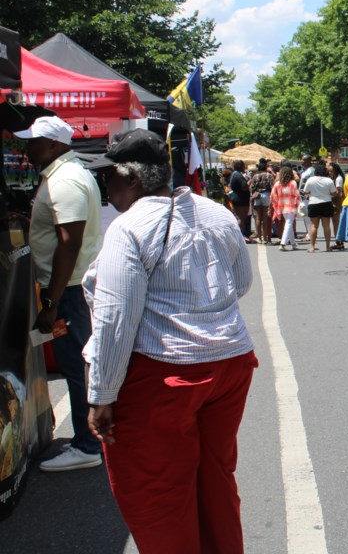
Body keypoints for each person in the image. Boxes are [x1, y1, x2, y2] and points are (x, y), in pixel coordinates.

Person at [82, 129, 258, 553]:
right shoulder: (216, 213)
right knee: (215, 478)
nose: (106, 188)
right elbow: (241, 282)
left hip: (164, 374)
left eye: (109, 178)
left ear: (130, 176)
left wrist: (102, 394)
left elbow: (115, 319)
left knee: (157, 493)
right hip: (230, 363)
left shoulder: (128, 228)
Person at [13, 115, 103, 472]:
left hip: (67, 288)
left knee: (76, 365)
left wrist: (50, 302)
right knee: (78, 363)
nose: (27, 147)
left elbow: (70, 243)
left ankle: (86, 444)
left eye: (32, 141)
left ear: (53, 144)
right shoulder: (63, 175)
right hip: (67, 287)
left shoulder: (64, 180)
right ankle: (90, 438)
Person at [303, 163, 335, 252]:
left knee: (314, 226)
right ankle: (328, 246)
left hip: (313, 203)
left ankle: (312, 247)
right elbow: (333, 192)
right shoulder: (329, 180)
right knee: (326, 226)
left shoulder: (311, 179)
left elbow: (305, 191)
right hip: (326, 203)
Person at [271, 166, 300, 251]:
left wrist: (276, 204)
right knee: (288, 224)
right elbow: (297, 195)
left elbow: (273, 196)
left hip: (282, 207)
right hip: (291, 206)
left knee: (288, 224)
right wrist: (297, 204)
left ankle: (293, 243)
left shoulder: (277, 184)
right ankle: (283, 243)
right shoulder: (293, 183)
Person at [248, 159, 276, 245]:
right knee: (265, 217)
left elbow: (252, 187)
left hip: (257, 195)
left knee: (258, 218)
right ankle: (266, 237)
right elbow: (272, 187)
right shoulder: (269, 175)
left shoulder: (255, 176)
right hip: (266, 195)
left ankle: (260, 238)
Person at [228, 160, 252, 242]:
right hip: (240, 199)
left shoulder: (234, 174)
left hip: (238, 198)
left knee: (241, 218)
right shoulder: (238, 175)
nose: (245, 167)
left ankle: (240, 236)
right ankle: (240, 236)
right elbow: (244, 187)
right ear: (239, 166)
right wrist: (249, 181)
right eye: (243, 165)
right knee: (241, 218)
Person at [328, 161, 346, 249]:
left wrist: (329, 194)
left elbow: (338, 192)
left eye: (331, 171)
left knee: (336, 223)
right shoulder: (335, 178)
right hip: (335, 201)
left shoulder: (338, 179)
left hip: (336, 201)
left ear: (335, 170)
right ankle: (338, 241)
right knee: (335, 223)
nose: (329, 172)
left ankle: (339, 242)